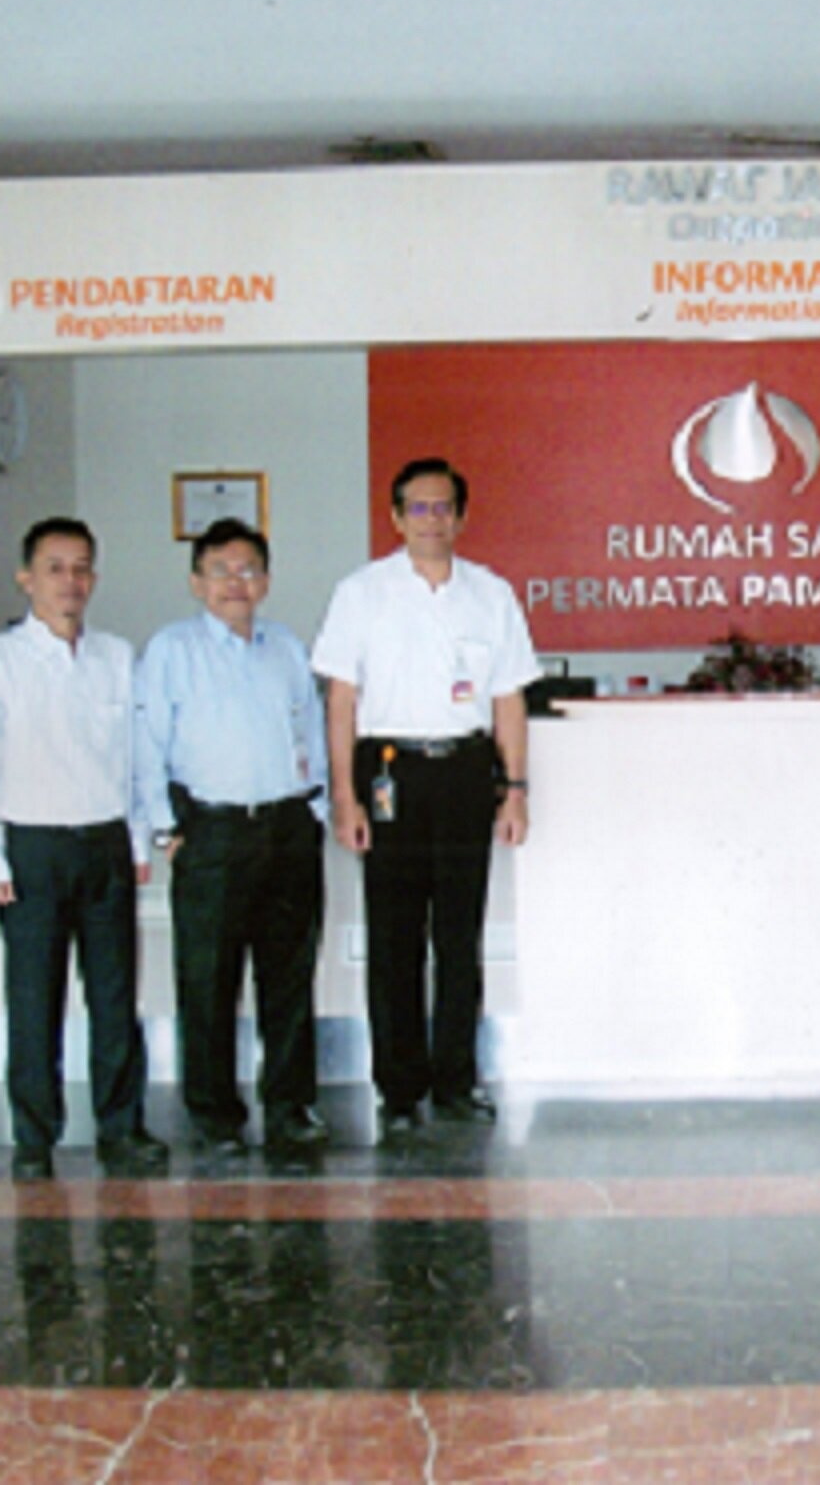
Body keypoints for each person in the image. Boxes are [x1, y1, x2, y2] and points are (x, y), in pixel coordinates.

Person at [312, 458, 537, 1134]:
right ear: (396, 517)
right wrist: (345, 796)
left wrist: (515, 789)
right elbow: (341, 700)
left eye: (443, 508)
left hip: (465, 772)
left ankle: (457, 1083)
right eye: (418, 507)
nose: (431, 520)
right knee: (394, 939)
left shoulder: (491, 595)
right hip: (390, 776)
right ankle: (401, 1090)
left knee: (459, 937)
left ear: (462, 517)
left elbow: (509, 699)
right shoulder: (361, 594)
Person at [0, 518, 165, 1181]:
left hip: (105, 841)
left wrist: (137, 838)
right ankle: (33, 1138)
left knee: (115, 997)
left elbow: (134, 757)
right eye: (54, 568)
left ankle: (121, 1128)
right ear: (26, 578)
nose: (69, 582)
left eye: (81, 568)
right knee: (33, 999)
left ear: (94, 578)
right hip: (31, 847)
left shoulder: (116, 656)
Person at [134, 518, 331, 1157]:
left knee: (289, 978)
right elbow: (146, 744)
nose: (234, 583)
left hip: (287, 829)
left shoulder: (287, 647)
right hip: (212, 833)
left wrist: (318, 808)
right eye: (219, 571)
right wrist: (164, 829)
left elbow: (312, 731)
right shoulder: (172, 650)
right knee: (208, 981)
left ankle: (290, 1106)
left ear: (266, 581)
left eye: (247, 570)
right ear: (197, 582)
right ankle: (215, 1115)